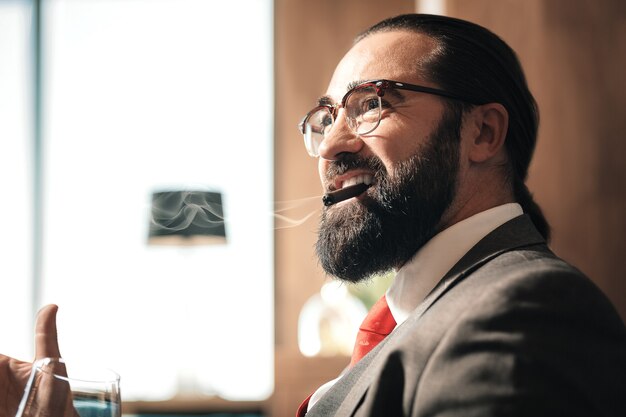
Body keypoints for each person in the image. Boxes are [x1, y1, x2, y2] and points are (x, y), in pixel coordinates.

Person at [1, 13, 625, 417]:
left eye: (371, 104)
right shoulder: (417, 317)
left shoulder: (526, 309)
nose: (330, 145)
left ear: (483, 132)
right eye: (325, 118)